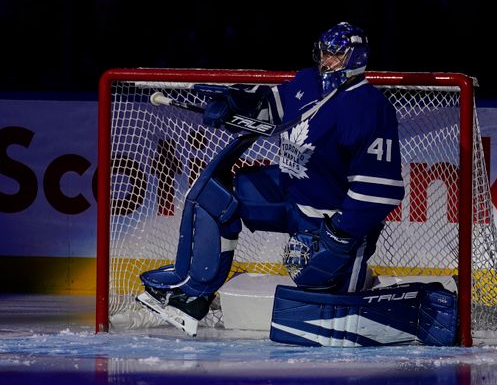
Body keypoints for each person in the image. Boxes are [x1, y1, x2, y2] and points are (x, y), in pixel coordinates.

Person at [137, 22, 404, 336]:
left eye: (337, 55)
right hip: (289, 195)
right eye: (325, 53)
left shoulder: (369, 108)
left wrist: (342, 237)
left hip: (326, 218)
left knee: (316, 298)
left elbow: (380, 190)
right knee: (215, 196)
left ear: (356, 58)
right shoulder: (307, 81)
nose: (327, 61)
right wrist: (232, 103)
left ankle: (356, 279)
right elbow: (270, 106)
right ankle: (192, 294)